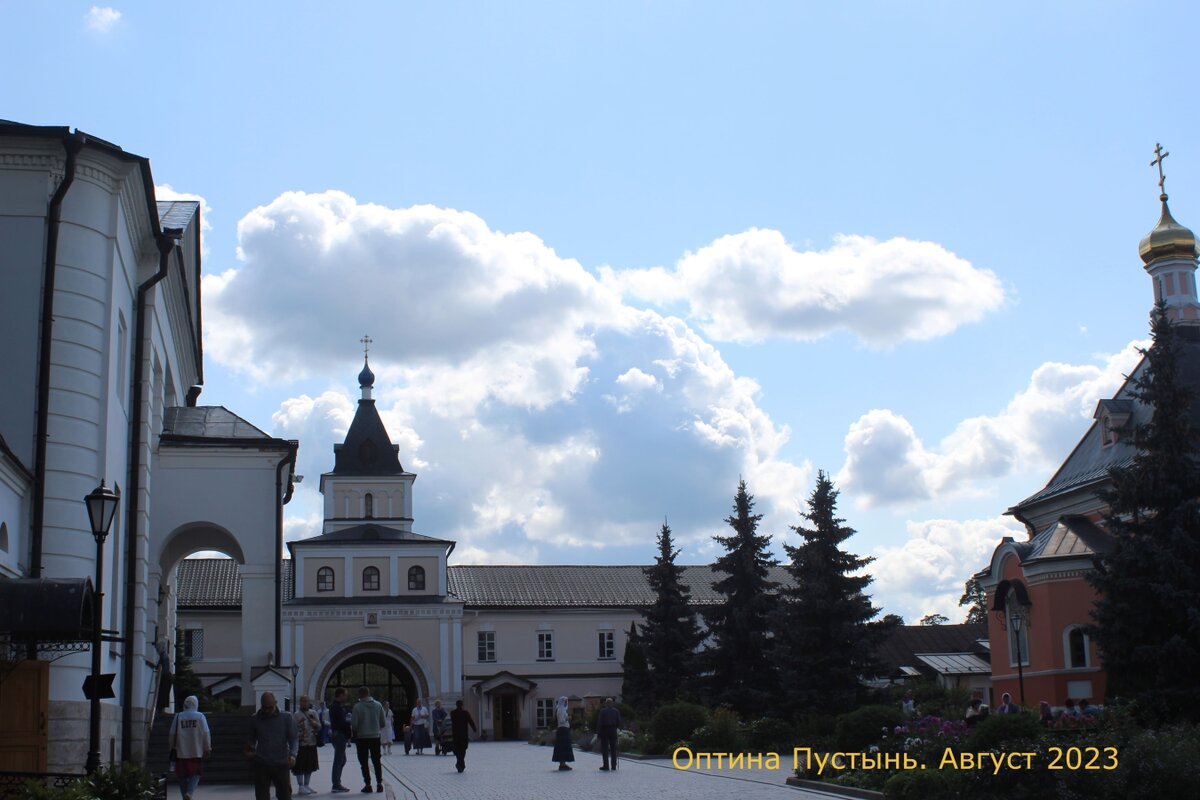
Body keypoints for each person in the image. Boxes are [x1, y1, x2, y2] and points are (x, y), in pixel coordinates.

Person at [245, 692, 298, 800]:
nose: (267, 710)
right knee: (261, 795)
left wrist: (293, 755)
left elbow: (293, 738)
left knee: (285, 795)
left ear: (276, 703)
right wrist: (249, 749)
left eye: (270, 707)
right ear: (261, 705)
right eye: (265, 707)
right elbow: (251, 739)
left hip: (281, 762)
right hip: (262, 762)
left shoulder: (286, 717)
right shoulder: (255, 719)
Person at [169, 695, 211, 800]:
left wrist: (171, 748)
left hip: (181, 751)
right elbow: (206, 733)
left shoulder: (178, 716)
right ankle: (190, 792)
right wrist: (207, 748)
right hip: (196, 751)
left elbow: (172, 734)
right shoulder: (200, 716)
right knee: (196, 773)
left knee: (182, 775)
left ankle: (185, 796)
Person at [351, 686, 386, 794]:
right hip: (375, 736)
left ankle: (368, 785)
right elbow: (383, 722)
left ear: (360, 695)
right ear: (369, 693)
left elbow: (354, 725)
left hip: (362, 738)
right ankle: (379, 784)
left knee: (364, 762)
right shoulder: (378, 705)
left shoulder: (357, 707)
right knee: (376, 761)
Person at [292, 695, 322, 795]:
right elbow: (293, 729)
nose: (305, 703)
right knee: (300, 765)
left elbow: (319, 726)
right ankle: (300, 785)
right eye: (303, 701)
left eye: (306, 701)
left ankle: (306, 785)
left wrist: (315, 724)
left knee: (310, 765)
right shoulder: (296, 715)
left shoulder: (313, 713)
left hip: (312, 742)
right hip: (301, 743)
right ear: (300, 703)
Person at [328, 687, 353, 794]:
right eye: (345, 695)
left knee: (342, 760)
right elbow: (340, 723)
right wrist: (348, 724)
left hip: (339, 735)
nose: (346, 697)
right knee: (339, 760)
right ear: (341, 695)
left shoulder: (337, 707)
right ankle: (336, 784)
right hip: (339, 735)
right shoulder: (336, 707)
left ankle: (337, 782)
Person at [448, 699, 477, 773]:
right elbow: (470, 721)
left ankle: (459, 763)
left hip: (456, 735)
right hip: (463, 735)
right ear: (462, 705)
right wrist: (474, 729)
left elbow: (453, 721)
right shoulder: (465, 713)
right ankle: (461, 764)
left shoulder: (453, 713)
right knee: (463, 750)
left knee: (457, 750)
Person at [596, 697, 622, 771]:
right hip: (613, 730)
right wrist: (615, 727)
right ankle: (613, 765)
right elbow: (619, 722)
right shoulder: (616, 711)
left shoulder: (602, 711)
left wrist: (598, 733)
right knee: (613, 748)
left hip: (604, 730)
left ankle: (606, 765)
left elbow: (600, 723)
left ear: (606, 704)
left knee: (605, 749)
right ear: (612, 704)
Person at [551, 696, 574, 771]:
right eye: (565, 701)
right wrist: (568, 718)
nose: (567, 703)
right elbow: (561, 721)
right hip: (563, 730)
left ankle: (563, 763)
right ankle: (562, 764)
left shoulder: (562, 710)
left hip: (564, 730)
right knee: (563, 747)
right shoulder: (560, 710)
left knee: (563, 747)